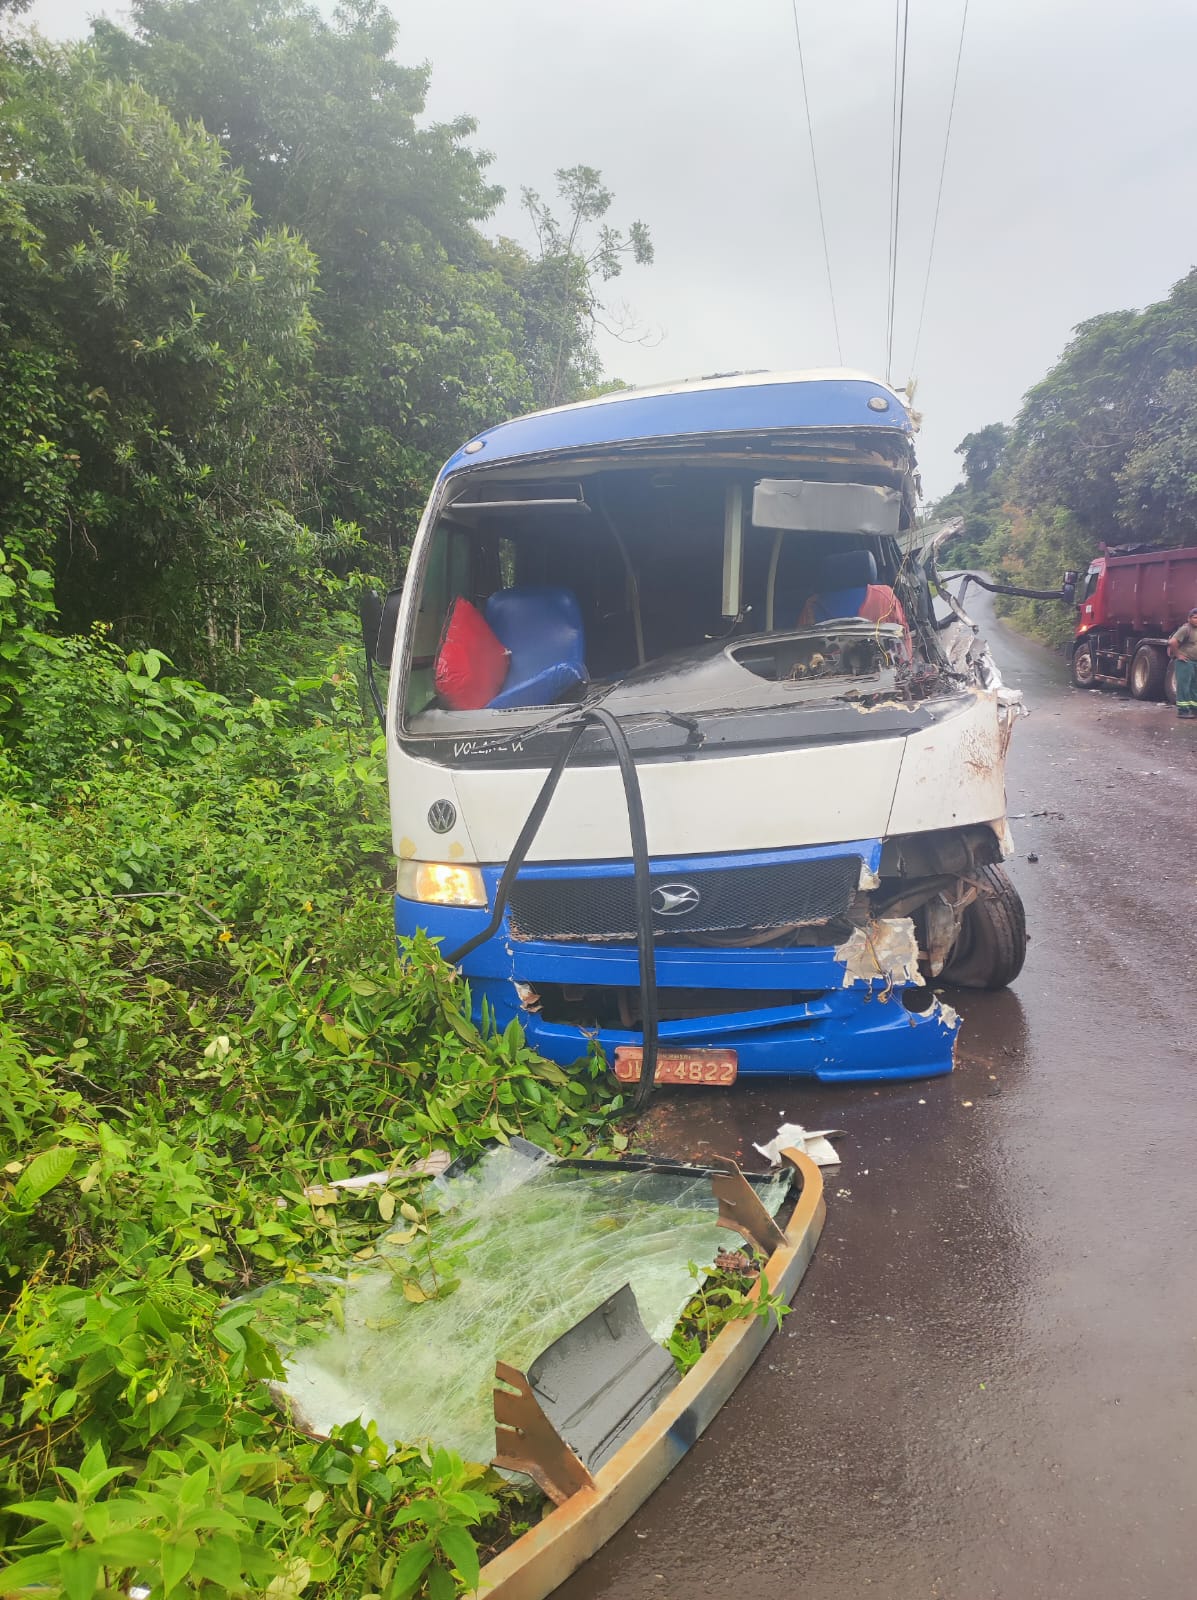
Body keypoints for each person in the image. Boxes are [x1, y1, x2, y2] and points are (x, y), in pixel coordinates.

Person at [1167, 606, 1197, 718]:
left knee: (1194, 686)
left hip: (1195, 662)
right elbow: (1172, 642)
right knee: (1184, 686)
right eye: (1195, 618)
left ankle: (1194, 709)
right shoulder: (1185, 629)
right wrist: (1178, 655)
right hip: (1186, 662)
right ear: (1189, 618)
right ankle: (1183, 711)